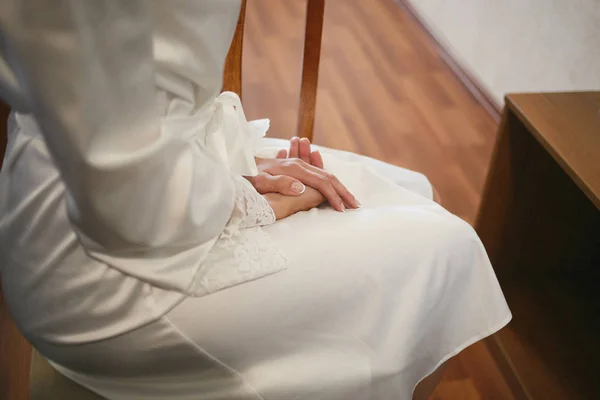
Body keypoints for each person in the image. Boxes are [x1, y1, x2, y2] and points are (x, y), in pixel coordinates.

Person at [0, 1, 511, 399]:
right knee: (447, 250)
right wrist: (260, 197)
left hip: (156, 169)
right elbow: (118, 178)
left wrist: (238, 168)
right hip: (111, 251)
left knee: (416, 190)